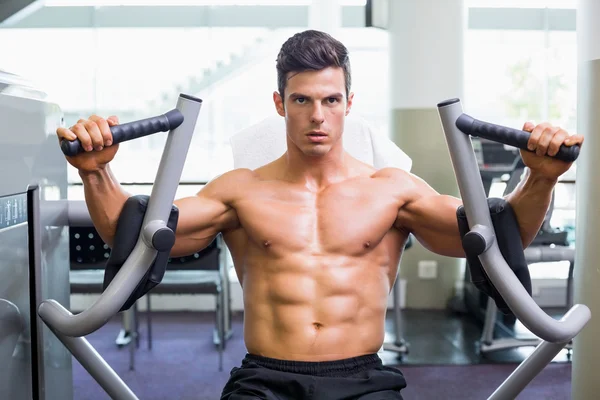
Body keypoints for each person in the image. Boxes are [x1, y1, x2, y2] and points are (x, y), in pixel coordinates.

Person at [56, 30, 584, 400]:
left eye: (330, 100)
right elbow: (135, 235)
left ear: (350, 103)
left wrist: (541, 177)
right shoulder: (241, 192)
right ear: (279, 103)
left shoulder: (391, 191)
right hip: (264, 379)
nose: (317, 116)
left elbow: (498, 235)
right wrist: (96, 173)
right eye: (302, 100)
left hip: (362, 380)